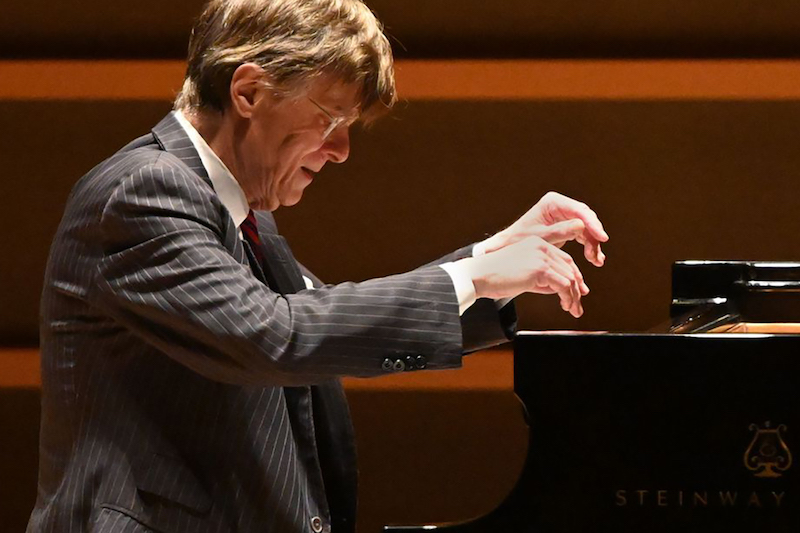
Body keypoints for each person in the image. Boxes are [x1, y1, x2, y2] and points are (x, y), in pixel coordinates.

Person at [27, 0, 608, 532]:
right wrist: (474, 278)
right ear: (249, 92)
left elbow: (328, 320)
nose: (342, 151)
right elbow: (276, 334)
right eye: (331, 120)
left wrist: (492, 258)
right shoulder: (144, 192)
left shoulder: (237, 214)